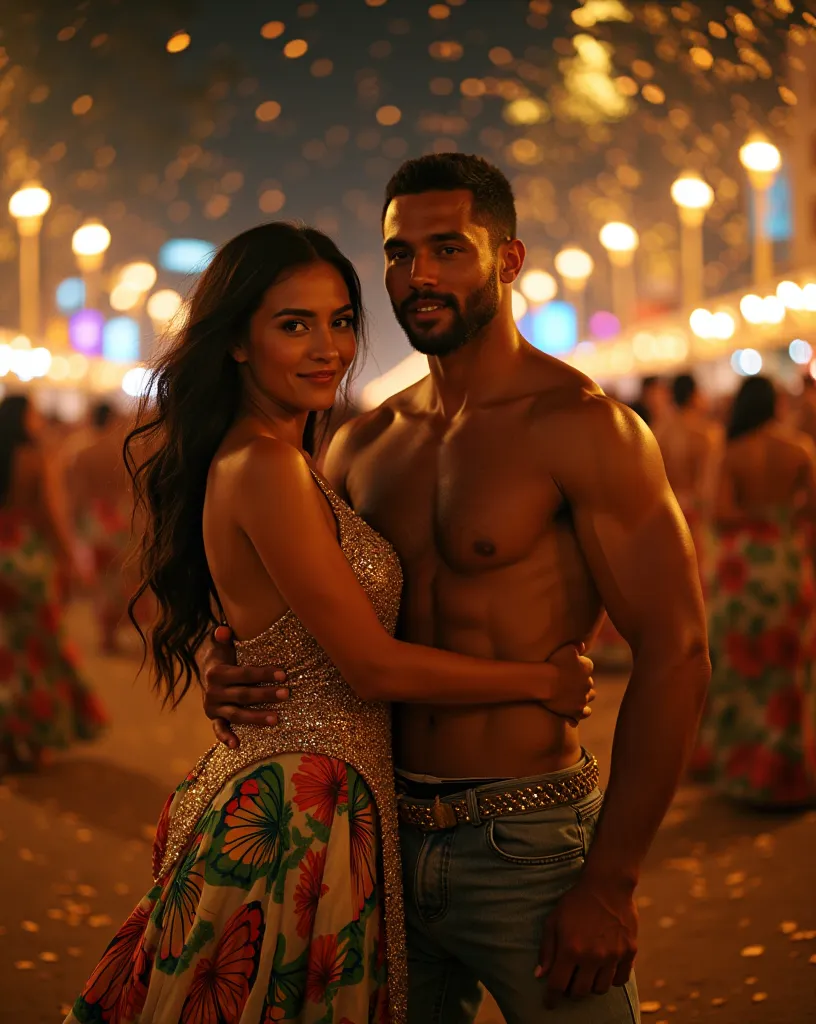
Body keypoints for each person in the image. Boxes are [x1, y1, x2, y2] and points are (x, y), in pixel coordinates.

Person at [204, 154, 710, 1024]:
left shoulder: (584, 427)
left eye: (449, 249)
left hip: (527, 844)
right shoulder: (363, 444)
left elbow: (678, 653)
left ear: (507, 261)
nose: (419, 277)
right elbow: (312, 618)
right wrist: (236, 669)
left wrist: (612, 881)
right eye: (400, 254)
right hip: (371, 842)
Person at [65, 222, 596, 1024]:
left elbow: (270, 621)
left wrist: (224, 656)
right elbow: (371, 667)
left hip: (322, 800)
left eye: (341, 320)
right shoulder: (269, 464)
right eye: (293, 324)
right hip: (296, 816)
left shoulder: (297, 458)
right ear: (237, 342)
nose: (328, 347)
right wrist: (543, 681)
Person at [692, 376, 816, 805]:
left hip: (742, 571)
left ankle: (742, 771)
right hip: (785, 563)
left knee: (740, 668)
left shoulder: (731, 452)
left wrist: (753, 515)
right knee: (786, 671)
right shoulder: (800, 448)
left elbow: (721, 513)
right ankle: (785, 774)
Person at [0, 394, 105, 772]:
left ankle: (6, 740)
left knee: (5, 651)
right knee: (40, 649)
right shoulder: (35, 457)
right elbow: (50, 511)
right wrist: (69, 559)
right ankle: (36, 735)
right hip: (27, 554)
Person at [70, 401, 134, 653]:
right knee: (117, 579)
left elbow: (79, 494)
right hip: (118, 520)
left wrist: (76, 523)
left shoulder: (83, 453)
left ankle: (105, 634)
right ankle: (112, 632)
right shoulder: (122, 452)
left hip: (94, 520)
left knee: (101, 580)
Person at [654, 373, 723, 580]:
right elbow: (709, 483)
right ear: (694, 395)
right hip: (698, 513)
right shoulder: (709, 433)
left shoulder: (659, 431)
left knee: (675, 578)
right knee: (700, 574)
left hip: (668, 510)